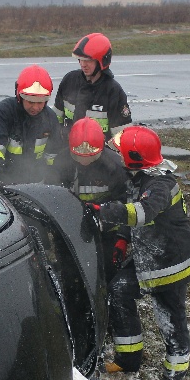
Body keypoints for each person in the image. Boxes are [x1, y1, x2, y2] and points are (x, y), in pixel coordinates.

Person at [93, 125, 190, 380]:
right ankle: (128, 358)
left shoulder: (161, 185)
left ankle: (174, 379)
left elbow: (142, 212)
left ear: (135, 159)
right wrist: (122, 240)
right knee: (118, 290)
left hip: (170, 264)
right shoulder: (140, 178)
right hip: (147, 257)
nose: (116, 154)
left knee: (169, 316)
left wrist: (104, 211)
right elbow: (134, 214)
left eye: (121, 151)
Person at [53, 117, 130, 282]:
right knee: (70, 272)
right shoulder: (61, 161)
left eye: (90, 157)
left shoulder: (115, 166)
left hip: (106, 230)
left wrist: (122, 237)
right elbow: (53, 193)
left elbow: (127, 203)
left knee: (106, 273)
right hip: (71, 226)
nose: (84, 161)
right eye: (79, 156)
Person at [0, 65, 65, 185]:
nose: (35, 107)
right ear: (19, 96)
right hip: (6, 181)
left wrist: (53, 181)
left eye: (40, 103)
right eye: (30, 102)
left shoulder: (50, 118)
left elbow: (52, 155)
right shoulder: (4, 112)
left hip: (37, 183)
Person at [53, 33, 133, 145]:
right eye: (80, 59)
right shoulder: (69, 81)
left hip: (100, 154)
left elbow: (122, 137)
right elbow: (55, 120)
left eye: (88, 60)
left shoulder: (113, 91)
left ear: (102, 61)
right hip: (68, 149)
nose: (83, 64)